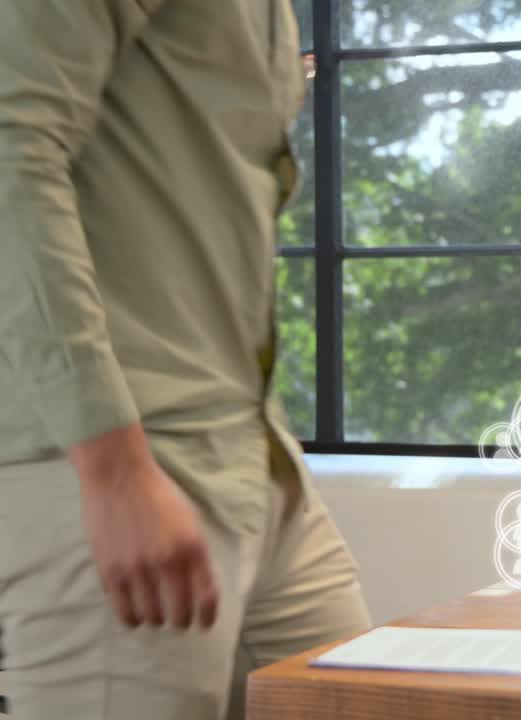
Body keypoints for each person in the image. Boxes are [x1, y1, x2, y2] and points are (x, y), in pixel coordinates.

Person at [0, 3, 371, 719]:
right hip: (117, 460)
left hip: (253, 460)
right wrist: (113, 470)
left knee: (369, 700)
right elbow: (10, 156)